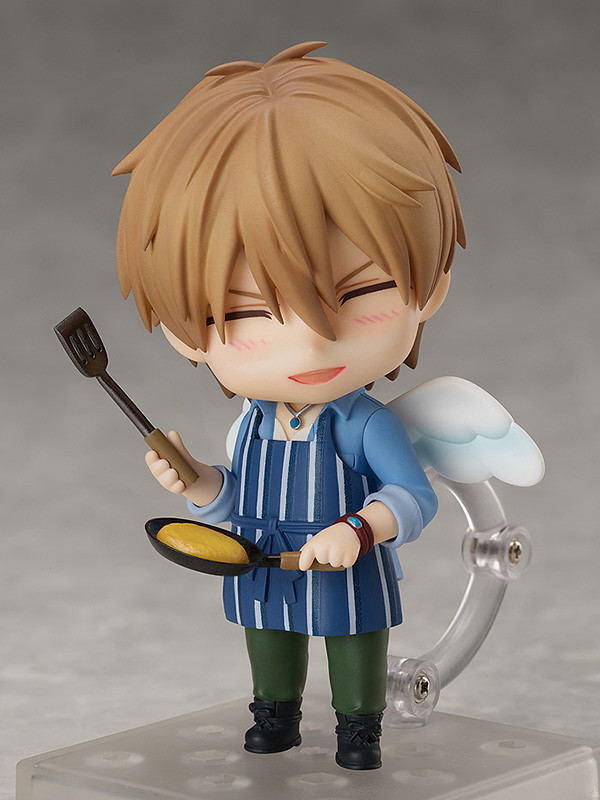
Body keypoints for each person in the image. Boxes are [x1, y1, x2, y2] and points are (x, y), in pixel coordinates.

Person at [112, 40, 465, 770]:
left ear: (426, 289)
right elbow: (233, 494)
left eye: (357, 294)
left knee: (354, 646)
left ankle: (358, 729)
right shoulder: (251, 423)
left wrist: (359, 528)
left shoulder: (363, 422)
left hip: (347, 571)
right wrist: (196, 481)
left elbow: (414, 497)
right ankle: (273, 715)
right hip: (260, 565)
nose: (309, 341)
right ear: (185, 331)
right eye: (248, 312)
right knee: (268, 642)